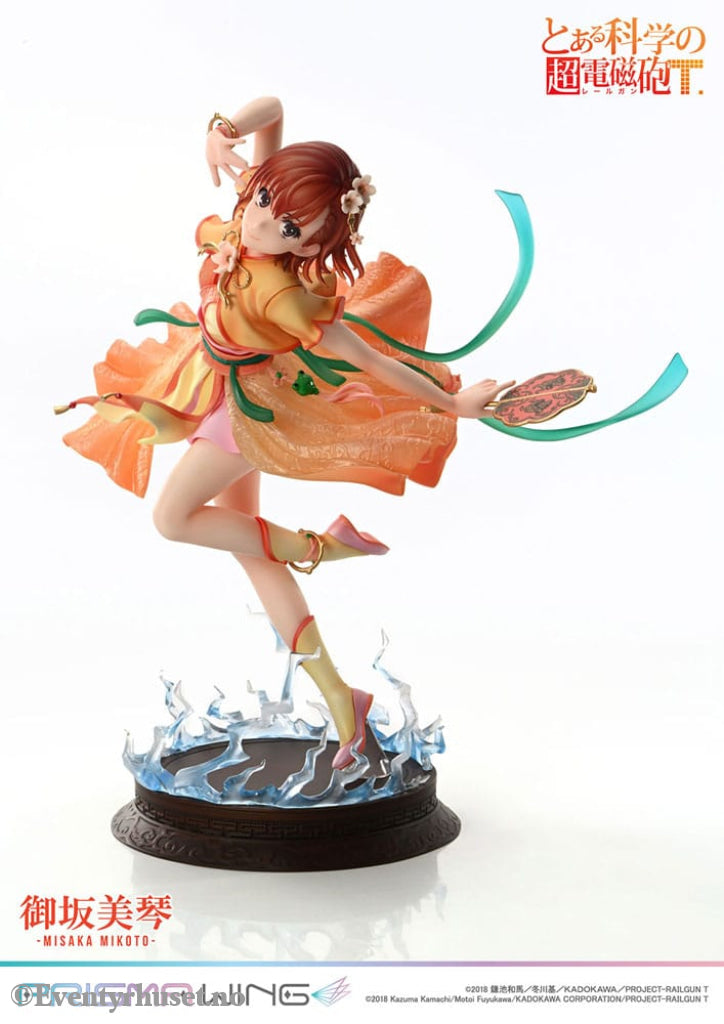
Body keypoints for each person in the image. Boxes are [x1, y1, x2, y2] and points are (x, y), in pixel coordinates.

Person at [58, 96, 513, 770]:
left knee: (174, 518)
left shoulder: (288, 298)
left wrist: (453, 404)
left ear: (311, 245)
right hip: (202, 379)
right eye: (268, 198)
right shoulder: (253, 207)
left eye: (290, 226)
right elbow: (273, 109)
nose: (264, 219)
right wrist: (225, 133)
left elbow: (373, 360)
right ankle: (343, 700)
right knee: (252, 553)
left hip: (241, 413)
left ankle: (319, 546)